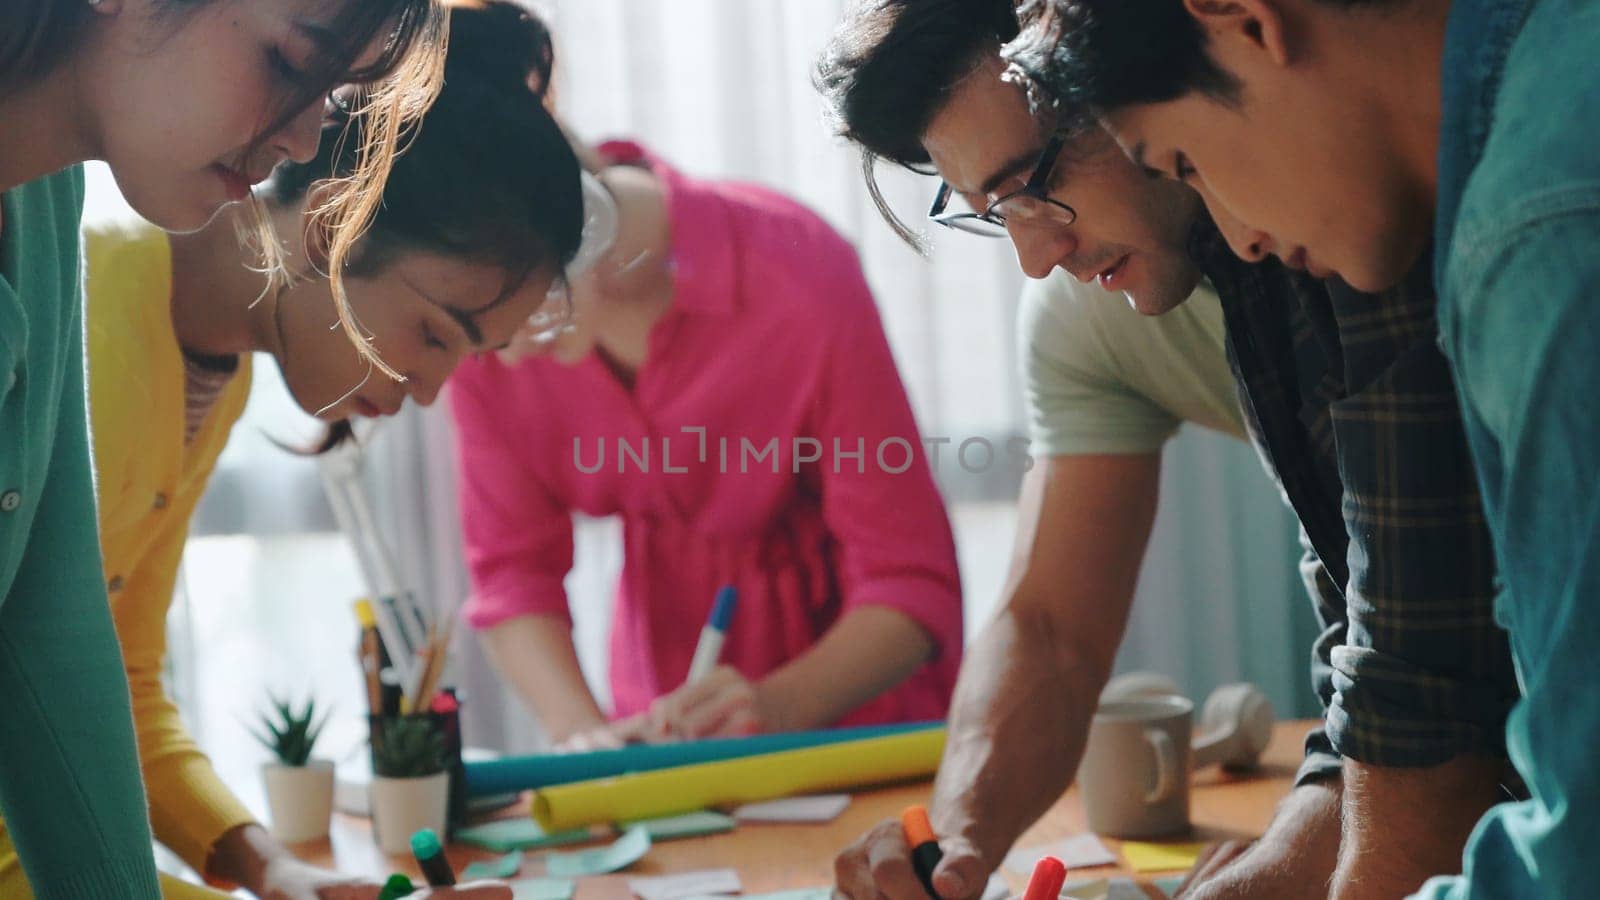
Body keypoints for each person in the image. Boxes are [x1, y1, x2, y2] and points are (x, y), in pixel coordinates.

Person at [815, 1, 1516, 897]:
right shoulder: (1158, 288)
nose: (1035, 254)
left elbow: (1429, 697)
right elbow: (1056, 628)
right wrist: (949, 848)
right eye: (995, 211)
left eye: (1034, 180)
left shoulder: (1352, 221)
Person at [1005, 0, 1600, 895]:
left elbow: (1575, 857)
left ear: (1246, 20)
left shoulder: (1536, 237)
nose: (1239, 236)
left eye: (1188, 163)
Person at [0, 1, 443, 895]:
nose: (308, 140)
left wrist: (265, 869)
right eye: (291, 64)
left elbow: (53, 628)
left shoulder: (45, 202)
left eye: (335, 97)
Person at [448, 1, 963, 751]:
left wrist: (777, 708)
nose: (504, 357)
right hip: (670, 746)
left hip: (855, 737)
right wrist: (584, 739)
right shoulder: (486, 318)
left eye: (513, 319)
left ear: (580, 225)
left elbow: (911, 583)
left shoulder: (799, 277)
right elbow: (513, 576)